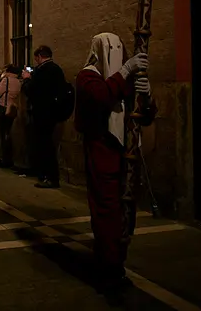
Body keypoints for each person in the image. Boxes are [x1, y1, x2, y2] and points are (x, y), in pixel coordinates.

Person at [74, 33, 154, 294]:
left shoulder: (121, 79)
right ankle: (108, 266)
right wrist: (126, 71)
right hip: (101, 148)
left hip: (124, 152)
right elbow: (103, 96)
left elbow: (142, 114)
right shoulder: (87, 76)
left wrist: (147, 96)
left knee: (125, 208)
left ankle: (118, 259)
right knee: (107, 208)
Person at [21, 45, 66, 189]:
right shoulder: (57, 69)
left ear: (39, 56)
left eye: (36, 59)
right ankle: (48, 176)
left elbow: (32, 91)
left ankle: (49, 177)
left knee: (45, 146)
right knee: (48, 145)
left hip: (43, 114)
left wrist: (27, 79)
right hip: (53, 113)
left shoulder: (42, 71)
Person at [0, 64, 22, 170]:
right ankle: (9, 158)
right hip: (12, 109)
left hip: (3, 108)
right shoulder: (18, 81)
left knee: (3, 134)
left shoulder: (6, 80)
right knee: (8, 133)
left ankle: (4, 159)